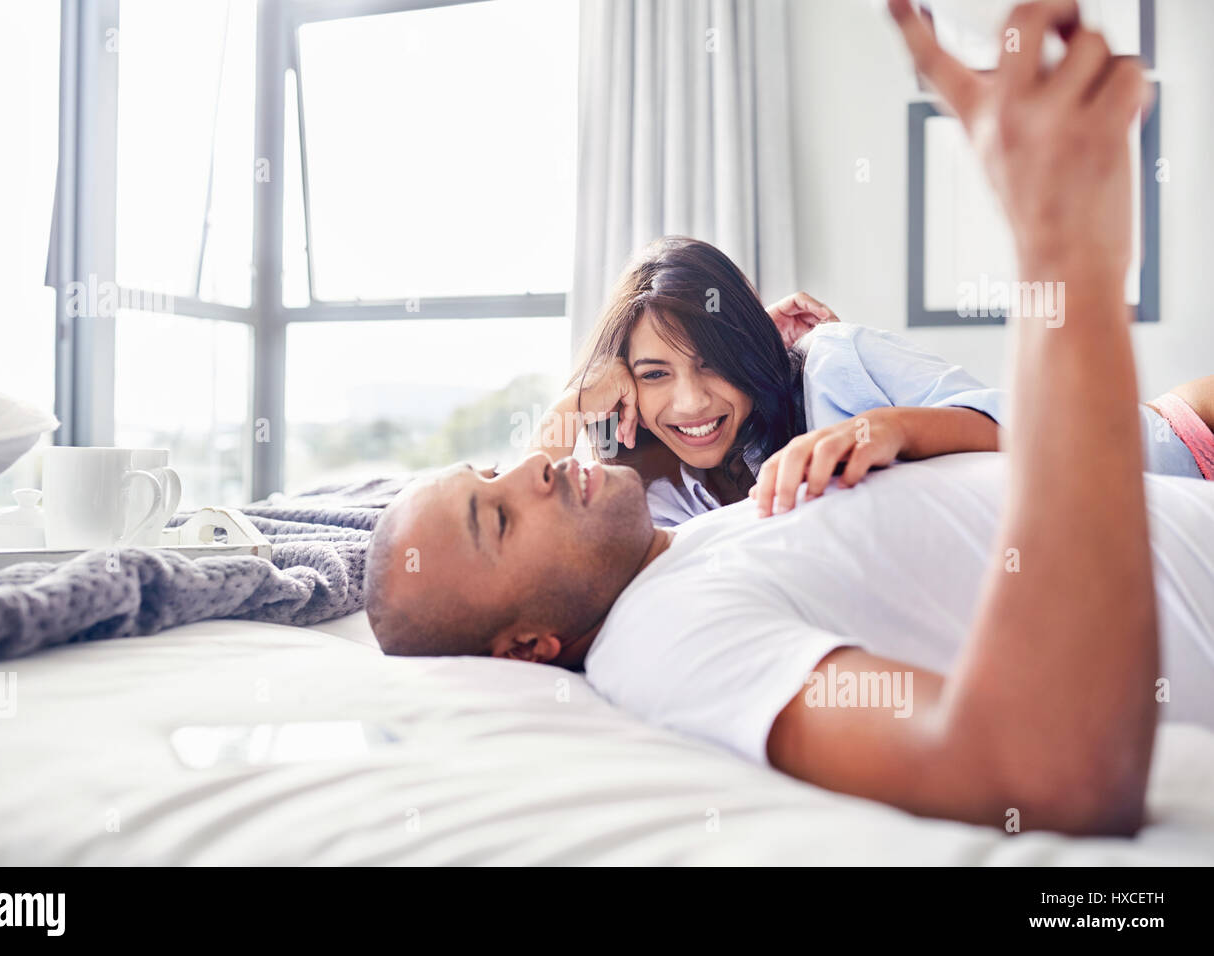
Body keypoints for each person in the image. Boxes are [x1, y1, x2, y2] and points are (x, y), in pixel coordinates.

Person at [364, 0, 1214, 834]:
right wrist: (1062, 247)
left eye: (489, 467)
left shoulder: (688, 531)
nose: (529, 467)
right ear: (529, 649)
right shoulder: (663, 638)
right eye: (498, 516)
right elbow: (1046, 773)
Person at [531, 239, 1214, 527]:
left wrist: (886, 431)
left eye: (712, 361)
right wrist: (569, 407)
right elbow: (529, 526)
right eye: (655, 375)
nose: (690, 401)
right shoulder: (664, 501)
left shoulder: (834, 361)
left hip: (1177, 439)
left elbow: (1023, 432)